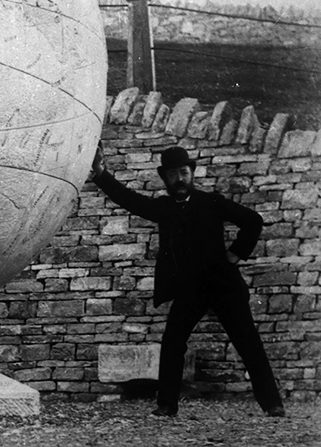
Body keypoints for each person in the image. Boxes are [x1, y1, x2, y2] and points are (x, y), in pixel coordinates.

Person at [90, 142, 284, 417]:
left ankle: (273, 404)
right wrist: (100, 173)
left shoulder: (211, 202)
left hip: (224, 285)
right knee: (172, 343)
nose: (179, 179)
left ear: (191, 173)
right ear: (165, 178)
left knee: (248, 342)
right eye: (173, 174)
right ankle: (166, 405)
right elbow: (129, 199)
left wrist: (235, 254)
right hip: (190, 289)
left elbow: (253, 220)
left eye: (183, 172)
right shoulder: (165, 208)